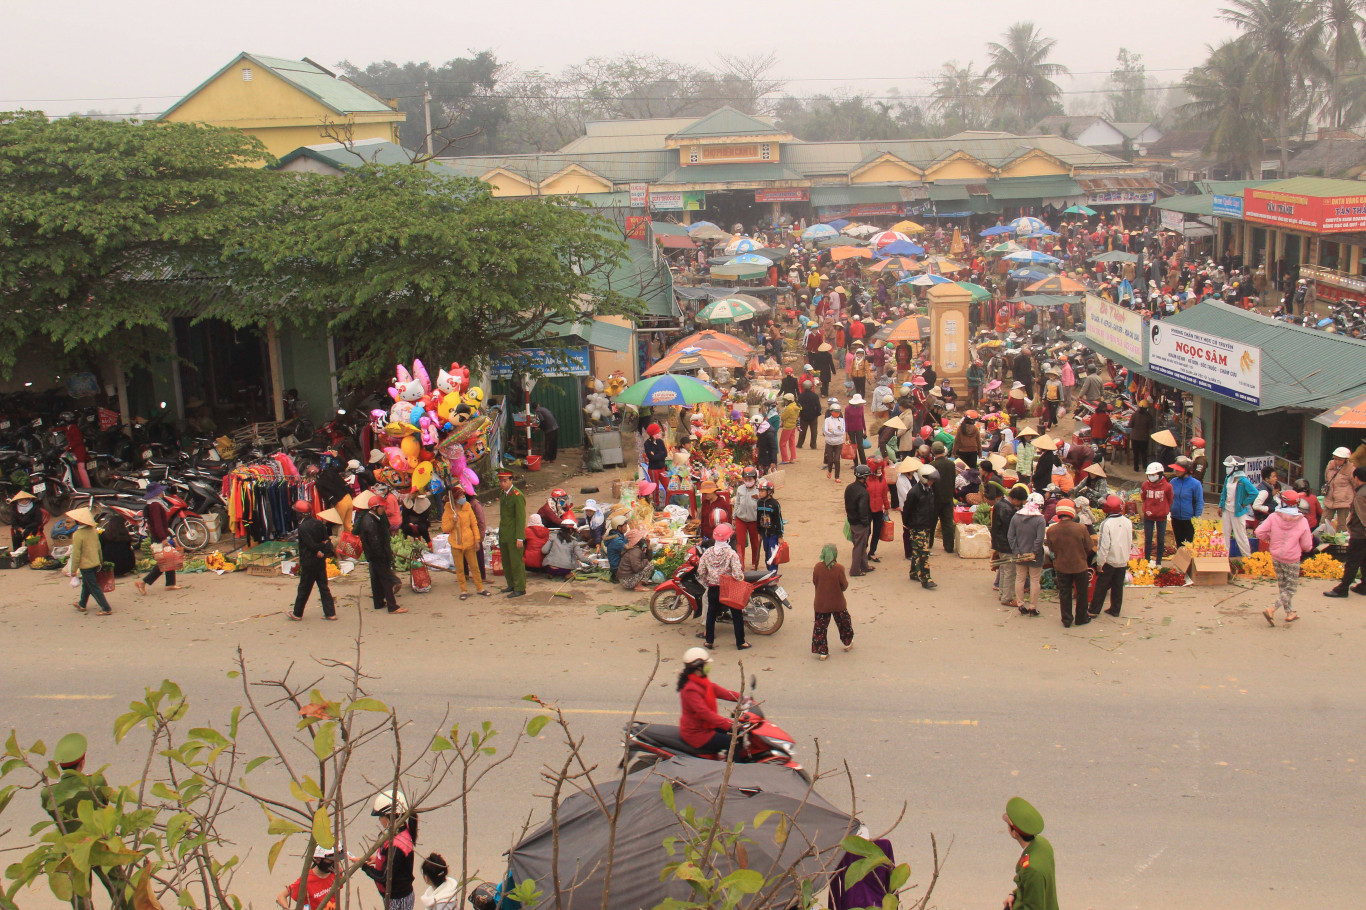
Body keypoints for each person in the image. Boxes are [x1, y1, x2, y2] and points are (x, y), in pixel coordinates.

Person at [1257, 491, 1312, 626]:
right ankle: (1272, 608)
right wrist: (1304, 548)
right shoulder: (1302, 521)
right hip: (1292, 558)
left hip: (1276, 555)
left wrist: (1271, 539)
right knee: (1291, 588)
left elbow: (1259, 532)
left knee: (1283, 586)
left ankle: (1289, 612)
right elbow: (1307, 545)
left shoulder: (1274, 517)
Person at [677, 647, 743, 754]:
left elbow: (721, 692)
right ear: (698, 667)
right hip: (696, 733)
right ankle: (731, 770)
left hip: (705, 726)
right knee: (733, 743)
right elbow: (706, 714)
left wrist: (742, 698)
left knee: (738, 734)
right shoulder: (690, 689)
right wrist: (730, 724)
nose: (708, 667)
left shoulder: (701, 681)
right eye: (706, 664)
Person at [697, 523, 749, 650]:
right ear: (728, 539)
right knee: (736, 614)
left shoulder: (708, 553)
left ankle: (709, 641)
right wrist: (739, 580)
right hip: (729, 588)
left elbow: (701, 570)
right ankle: (740, 642)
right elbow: (737, 573)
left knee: (711, 613)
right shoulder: (731, 554)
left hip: (713, 587)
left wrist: (707, 582)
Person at [363, 789, 418, 910]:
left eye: (381, 816)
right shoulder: (398, 832)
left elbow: (385, 876)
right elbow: (390, 861)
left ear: (390, 816)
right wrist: (376, 860)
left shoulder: (397, 845)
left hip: (398, 898)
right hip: (394, 896)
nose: (379, 820)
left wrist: (364, 867)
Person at [1001, 797, 1059, 910]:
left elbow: (1033, 906)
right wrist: (1014, 894)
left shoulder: (1032, 869)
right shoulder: (1042, 844)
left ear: (1014, 833)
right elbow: (1031, 887)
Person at [354, 491, 406, 614]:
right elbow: (375, 541)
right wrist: (383, 554)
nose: (383, 509)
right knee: (386, 579)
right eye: (382, 507)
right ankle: (392, 606)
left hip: (374, 555)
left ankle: (378, 602)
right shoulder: (370, 521)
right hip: (378, 555)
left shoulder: (370, 518)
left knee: (376, 579)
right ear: (375, 508)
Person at [1045, 499, 1094, 628]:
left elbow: (1051, 548)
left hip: (1062, 566)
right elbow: (1089, 546)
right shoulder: (1081, 528)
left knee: (1064, 593)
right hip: (1080, 566)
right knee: (1082, 593)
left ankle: (1066, 619)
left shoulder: (1051, 530)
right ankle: (1081, 618)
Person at [289, 504, 342, 620]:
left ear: (300, 514)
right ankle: (330, 613)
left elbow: (310, 544)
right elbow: (326, 541)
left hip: (309, 560)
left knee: (304, 588)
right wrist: (323, 551)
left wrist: (318, 550)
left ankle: (297, 613)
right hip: (320, 561)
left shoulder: (302, 527)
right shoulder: (318, 523)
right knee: (324, 587)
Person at [1324, 466, 1366, 598]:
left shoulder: (1360, 495)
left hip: (1360, 534)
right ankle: (1364, 586)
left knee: (1352, 561)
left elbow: (1363, 516)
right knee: (1364, 560)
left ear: (1356, 478)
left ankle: (1342, 589)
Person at [1089, 494, 1133, 618]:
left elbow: (1104, 546)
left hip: (1109, 560)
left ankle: (1093, 610)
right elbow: (1129, 541)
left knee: (1101, 585)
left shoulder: (1106, 523)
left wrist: (1100, 563)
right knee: (1118, 586)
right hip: (1123, 559)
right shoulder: (1127, 522)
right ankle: (1115, 609)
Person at [135, 485, 184, 595]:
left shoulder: (153, 504)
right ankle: (143, 582)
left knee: (169, 558)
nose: (162, 492)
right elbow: (157, 524)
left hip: (159, 535)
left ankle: (170, 583)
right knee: (164, 561)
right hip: (159, 536)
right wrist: (163, 538)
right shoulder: (156, 505)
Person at [65, 507, 113, 616]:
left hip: (85, 565)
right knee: (87, 584)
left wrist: (73, 570)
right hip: (95, 562)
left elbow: (76, 554)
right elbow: (98, 547)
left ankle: (106, 608)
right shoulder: (93, 531)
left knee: (93, 587)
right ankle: (82, 604)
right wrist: (101, 560)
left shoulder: (77, 534)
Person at [442, 490, 489, 599]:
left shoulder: (468, 507)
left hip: (469, 542)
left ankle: (480, 588)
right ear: (455, 498)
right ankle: (463, 590)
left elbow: (474, 524)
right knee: (460, 568)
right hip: (456, 543)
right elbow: (445, 528)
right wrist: (453, 521)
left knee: (474, 566)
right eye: (461, 496)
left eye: (464, 495)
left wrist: (477, 540)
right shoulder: (449, 510)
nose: (463, 497)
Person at [811, 544, 853, 659]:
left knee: (820, 627)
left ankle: (822, 652)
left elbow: (815, 581)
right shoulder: (839, 568)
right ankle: (847, 642)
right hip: (837, 603)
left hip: (821, 603)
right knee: (844, 623)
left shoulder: (817, 567)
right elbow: (844, 586)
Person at [1008, 493, 1047, 616]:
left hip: (1019, 554)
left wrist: (1017, 552)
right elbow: (1039, 539)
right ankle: (1033, 607)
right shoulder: (1040, 519)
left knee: (1020, 578)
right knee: (1035, 580)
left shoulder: (1016, 517)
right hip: (1035, 556)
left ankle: (1020, 604)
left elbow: (1011, 536)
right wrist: (1034, 552)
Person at [901, 464, 939, 590]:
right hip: (917, 526)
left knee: (917, 551)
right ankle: (926, 578)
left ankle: (914, 573)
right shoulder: (915, 493)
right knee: (923, 553)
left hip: (925, 524)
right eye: (930, 479)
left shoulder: (928, 489)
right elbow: (907, 509)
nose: (932, 482)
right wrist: (907, 524)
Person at [1218, 456, 1258, 558]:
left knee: (1240, 535)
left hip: (1238, 512)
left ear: (1236, 467)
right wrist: (1220, 505)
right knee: (1224, 534)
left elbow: (1254, 493)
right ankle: (1224, 557)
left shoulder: (1243, 480)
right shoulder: (1228, 478)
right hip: (1226, 510)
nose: (1227, 469)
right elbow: (1224, 493)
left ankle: (1247, 558)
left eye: (1229, 467)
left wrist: (1244, 503)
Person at [990, 485, 1023, 606]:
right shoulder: (1008, 509)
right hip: (1006, 544)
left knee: (1004, 569)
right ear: (1015, 499)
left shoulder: (1000, 504)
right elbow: (1010, 529)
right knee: (1009, 571)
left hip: (999, 542)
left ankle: (1003, 593)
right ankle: (1007, 598)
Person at [497, 470, 528, 598]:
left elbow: (520, 518)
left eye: (505, 481)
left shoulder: (517, 495)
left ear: (511, 480)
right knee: (506, 562)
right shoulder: (503, 494)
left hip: (514, 534)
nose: (502, 483)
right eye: (500, 481)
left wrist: (520, 537)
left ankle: (520, 587)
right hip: (504, 533)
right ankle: (511, 584)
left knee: (516, 562)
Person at [1140, 462, 1173, 565]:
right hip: (1148, 516)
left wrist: (1164, 510)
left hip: (1161, 516)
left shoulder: (1167, 486)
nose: (1151, 477)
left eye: (1153, 475)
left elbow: (1170, 499)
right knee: (1148, 539)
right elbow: (1143, 497)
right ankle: (1147, 560)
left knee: (1161, 539)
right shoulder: (1145, 485)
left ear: (1160, 474)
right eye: (1149, 475)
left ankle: (1158, 562)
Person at [928, 442, 957, 554]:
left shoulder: (932, 465)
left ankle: (929, 543)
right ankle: (949, 546)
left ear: (933, 452)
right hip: (948, 497)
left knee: (931, 522)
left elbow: (930, 483)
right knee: (947, 522)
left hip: (935, 497)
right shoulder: (951, 464)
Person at [845, 464, 873, 576]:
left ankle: (864, 566)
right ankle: (855, 570)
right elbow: (863, 510)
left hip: (851, 520)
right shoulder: (863, 492)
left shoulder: (850, 488)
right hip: (860, 523)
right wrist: (866, 522)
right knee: (859, 546)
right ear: (864, 477)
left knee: (861, 545)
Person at [732, 466, 762, 571]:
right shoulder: (740, 489)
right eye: (746, 480)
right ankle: (741, 564)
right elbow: (737, 503)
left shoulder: (759, 491)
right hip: (741, 520)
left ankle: (755, 562)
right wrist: (734, 517)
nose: (748, 482)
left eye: (750, 480)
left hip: (754, 520)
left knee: (755, 543)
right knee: (740, 543)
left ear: (755, 479)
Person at [1169, 462, 1204, 549]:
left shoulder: (1196, 484)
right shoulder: (1173, 482)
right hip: (1175, 518)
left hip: (1189, 519)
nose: (1176, 471)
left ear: (1186, 471)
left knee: (1189, 545)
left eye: (1178, 470)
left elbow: (1199, 501)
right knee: (1179, 544)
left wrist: (1197, 517)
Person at [1323, 446, 1356, 532]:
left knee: (1342, 525)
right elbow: (1327, 478)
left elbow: (1355, 485)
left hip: (1344, 501)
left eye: (1340, 459)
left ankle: (1340, 544)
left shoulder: (1351, 469)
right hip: (1329, 499)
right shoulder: (1330, 465)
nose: (1337, 461)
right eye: (1336, 459)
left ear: (1345, 459)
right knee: (1323, 523)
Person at [316, 459, 354, 533]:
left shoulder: (319, 483)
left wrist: (327, 510)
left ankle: (340, 543)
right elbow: (345, 465)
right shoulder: (331, 471)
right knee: (348, 526)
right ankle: (355, 542)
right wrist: (337, 456)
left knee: (337, 527)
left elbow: (327, 497)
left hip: (339, 503)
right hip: (348, 498)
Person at [866, 454, 891, 563]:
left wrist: (886, 507)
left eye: (881, 468)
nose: (880, 470)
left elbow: (884, 495)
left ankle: (872, 552)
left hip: (879, 510)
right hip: (868, 510)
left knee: (876, 532)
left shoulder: (883, 480)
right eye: (878, 468)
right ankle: (863, 550)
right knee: (867, 532)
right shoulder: (865, 481)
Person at [756, 478, 785, 569]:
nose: (760, 493)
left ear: (769, 491)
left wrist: (780, 535)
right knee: (766, 554)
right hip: (764, 534)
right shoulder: (759, 503)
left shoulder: (775, 504)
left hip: (773, 534)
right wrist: (759, 532)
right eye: (759, 491)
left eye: (762, 491)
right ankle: (769, 573)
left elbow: (779, 520)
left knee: (772, 554)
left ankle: (773, 575)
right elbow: (758, 518)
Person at [616, 526, 654, 591]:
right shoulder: (635, 551)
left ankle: (639, 582)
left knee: (648, 563)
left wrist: (648, 546)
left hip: (627, 578)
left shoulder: (637, 549)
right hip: (627, 581)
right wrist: (645, 560)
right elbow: (637, 568)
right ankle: (638, 586)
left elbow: (649, 557)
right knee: (650, 565)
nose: (643, 539)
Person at [823, 401, 847, 482]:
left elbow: (842, 432)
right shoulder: (827, 420)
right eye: (835, 412)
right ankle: (829, 470)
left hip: (839, 443)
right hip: (829, 442)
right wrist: (836, 432)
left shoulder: (842, 420)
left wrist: (833, 432)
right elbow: (826, 431)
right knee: (830, 460)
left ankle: (837, 476)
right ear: (831, 412)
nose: (837, 413)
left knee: (837, 460)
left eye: (838, 412)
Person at [1129, 399, 1154, 470]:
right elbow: (1150, 426)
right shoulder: (1148, 416)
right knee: (1144, 453)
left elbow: (1130, 425)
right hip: (1144, 438)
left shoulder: (1134, 415)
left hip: (1134, 437)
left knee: (1135, 453)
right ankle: (1145, 466)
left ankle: (1136, 467)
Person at [797, 381, 822, 449]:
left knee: (802, 431)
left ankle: (799, 444)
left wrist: (800, 414)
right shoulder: (815, 396)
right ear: (811, 387)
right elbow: (818, 407)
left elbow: (798, 406)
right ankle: (813, 445)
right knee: (814, 431)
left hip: (803, 416)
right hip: (813, 416)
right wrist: (817, 413)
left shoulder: (801, 396)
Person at [779, 392, 800, 464]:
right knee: (792, 442)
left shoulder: (789, 408)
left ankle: (785, 459)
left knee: (782, 443)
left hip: (787, 426)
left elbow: (783, 417)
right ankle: (792, 457)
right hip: (793, 425)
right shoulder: (795, 406)